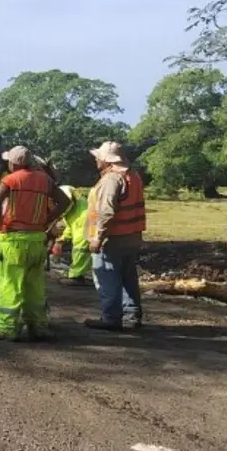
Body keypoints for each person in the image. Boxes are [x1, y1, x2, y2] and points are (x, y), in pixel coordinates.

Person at [0, 146, 70, 341]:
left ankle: (7, 329)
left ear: (13, 163)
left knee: (10, 284)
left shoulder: (10, 180)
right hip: (37, 239)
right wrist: (47, 219)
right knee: (35, 285)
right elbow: (64, 202)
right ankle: (38, 326)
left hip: (14, 240)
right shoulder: (45, 180)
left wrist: (0, 224)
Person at [83, 141, 146, 331]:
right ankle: (132, 314)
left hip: (112, 239)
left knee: (107, 278)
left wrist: (98, 238)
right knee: (128, 278)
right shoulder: (132, 176)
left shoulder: (111, 179)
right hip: (132, 236)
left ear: (106, 161)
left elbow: (106, 212)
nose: (96, 161)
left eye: (98, 158)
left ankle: (111, 318)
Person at [53, 185, 92, 286]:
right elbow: (71, 226)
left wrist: (73, 274)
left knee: (80, 249)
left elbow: (80, 242)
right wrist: (61, 240)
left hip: (87, 230)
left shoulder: (83, 214)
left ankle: (76, 276)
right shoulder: (77, 208)